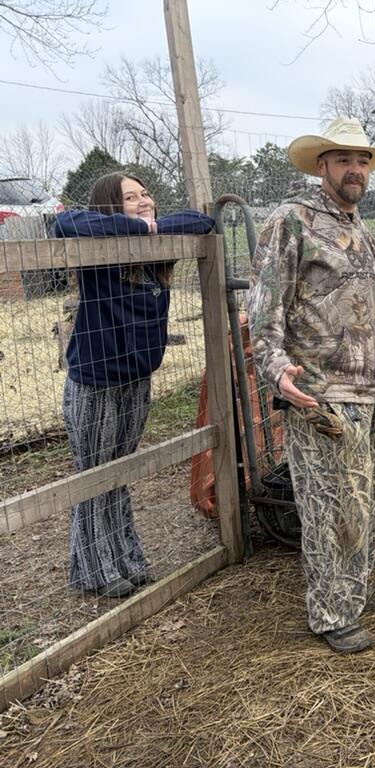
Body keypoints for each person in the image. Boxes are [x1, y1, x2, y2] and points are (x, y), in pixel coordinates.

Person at [248, 117, 375, 654]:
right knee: (330, 508)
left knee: (364, 500)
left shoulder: (357, 226)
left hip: (368, 390)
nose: (355, 169)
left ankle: (355, 588)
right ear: (321, 165)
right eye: (344, 159)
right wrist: (276, 371)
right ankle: (331, 611)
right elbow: (264, 311)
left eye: (363, 160)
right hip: (320, 394)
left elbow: (352, 297)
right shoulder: (291, 221)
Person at [52, 173, 215, 598]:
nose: (144, 201)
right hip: (94, 383)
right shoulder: (100, 251)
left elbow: (201, 223)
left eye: (146, 194)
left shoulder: (155, 255)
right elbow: (65, 223)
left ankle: (126, 558)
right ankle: (97, 571)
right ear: (111, 206)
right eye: (130, 198)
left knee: (119, 472)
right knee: (94, 476)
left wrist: (150, 227)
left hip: (136, 382)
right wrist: (141, 226)